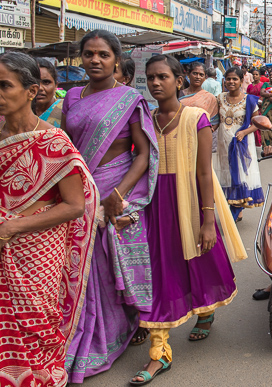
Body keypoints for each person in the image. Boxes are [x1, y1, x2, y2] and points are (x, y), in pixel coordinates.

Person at [129, 55, 246, 385]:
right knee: (159, 270)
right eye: (150, 77)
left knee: (201, 261)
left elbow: (203, 173)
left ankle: (206, 311)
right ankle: (160, 351)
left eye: (163, 77)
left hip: (190, 198)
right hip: (154, 202)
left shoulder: (196, 117)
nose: (155, 83)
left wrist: (208, 220)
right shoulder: (145, 119)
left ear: (178, 81)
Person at [61, 30, 159, 383]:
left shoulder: (129, 99)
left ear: (116, 60)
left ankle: (116, 329)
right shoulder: (72, 97)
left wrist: (118, 195)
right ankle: (80, 332)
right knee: (79, 268)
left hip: (115, 192)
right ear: (81, 57)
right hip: (78, 193)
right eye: (88, 54)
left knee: (103, 267)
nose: (95, 60)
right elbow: (65, 150)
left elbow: (143, 153)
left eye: (103, 54)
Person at [0, 51, 97, 387]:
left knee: (36, 329)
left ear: (30, 91)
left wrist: (13, 226)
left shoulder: (54, 142)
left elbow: (74, 205)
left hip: (36, 254)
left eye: (4, 86)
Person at [214, 67, 264, 222]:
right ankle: (235, 205)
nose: (231, 82)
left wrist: (244, 132)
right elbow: (216, 120)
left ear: (242, 81)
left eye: (235, 79)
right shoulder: (219, 98)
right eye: (228, 79)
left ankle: (234, 212)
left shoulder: (249, 100)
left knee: (241, 175)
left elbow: (257, 123)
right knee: (226, 174)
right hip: (224, 143)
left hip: (242, 144)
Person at [179, 62, 220, 151]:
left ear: (205, 77)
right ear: (188, 75)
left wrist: (205, 133)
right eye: (195, 73)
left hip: (200, 141)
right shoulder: (179, 94)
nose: (198, 77)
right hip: (180, 137)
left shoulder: (210, 98)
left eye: (201, 75)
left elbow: (215, 121)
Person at [35, 58, 64, 127]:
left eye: (46, 82)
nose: (40, 88)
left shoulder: (64, 110)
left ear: (55, 86)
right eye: (35, 82)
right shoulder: (17, 113)